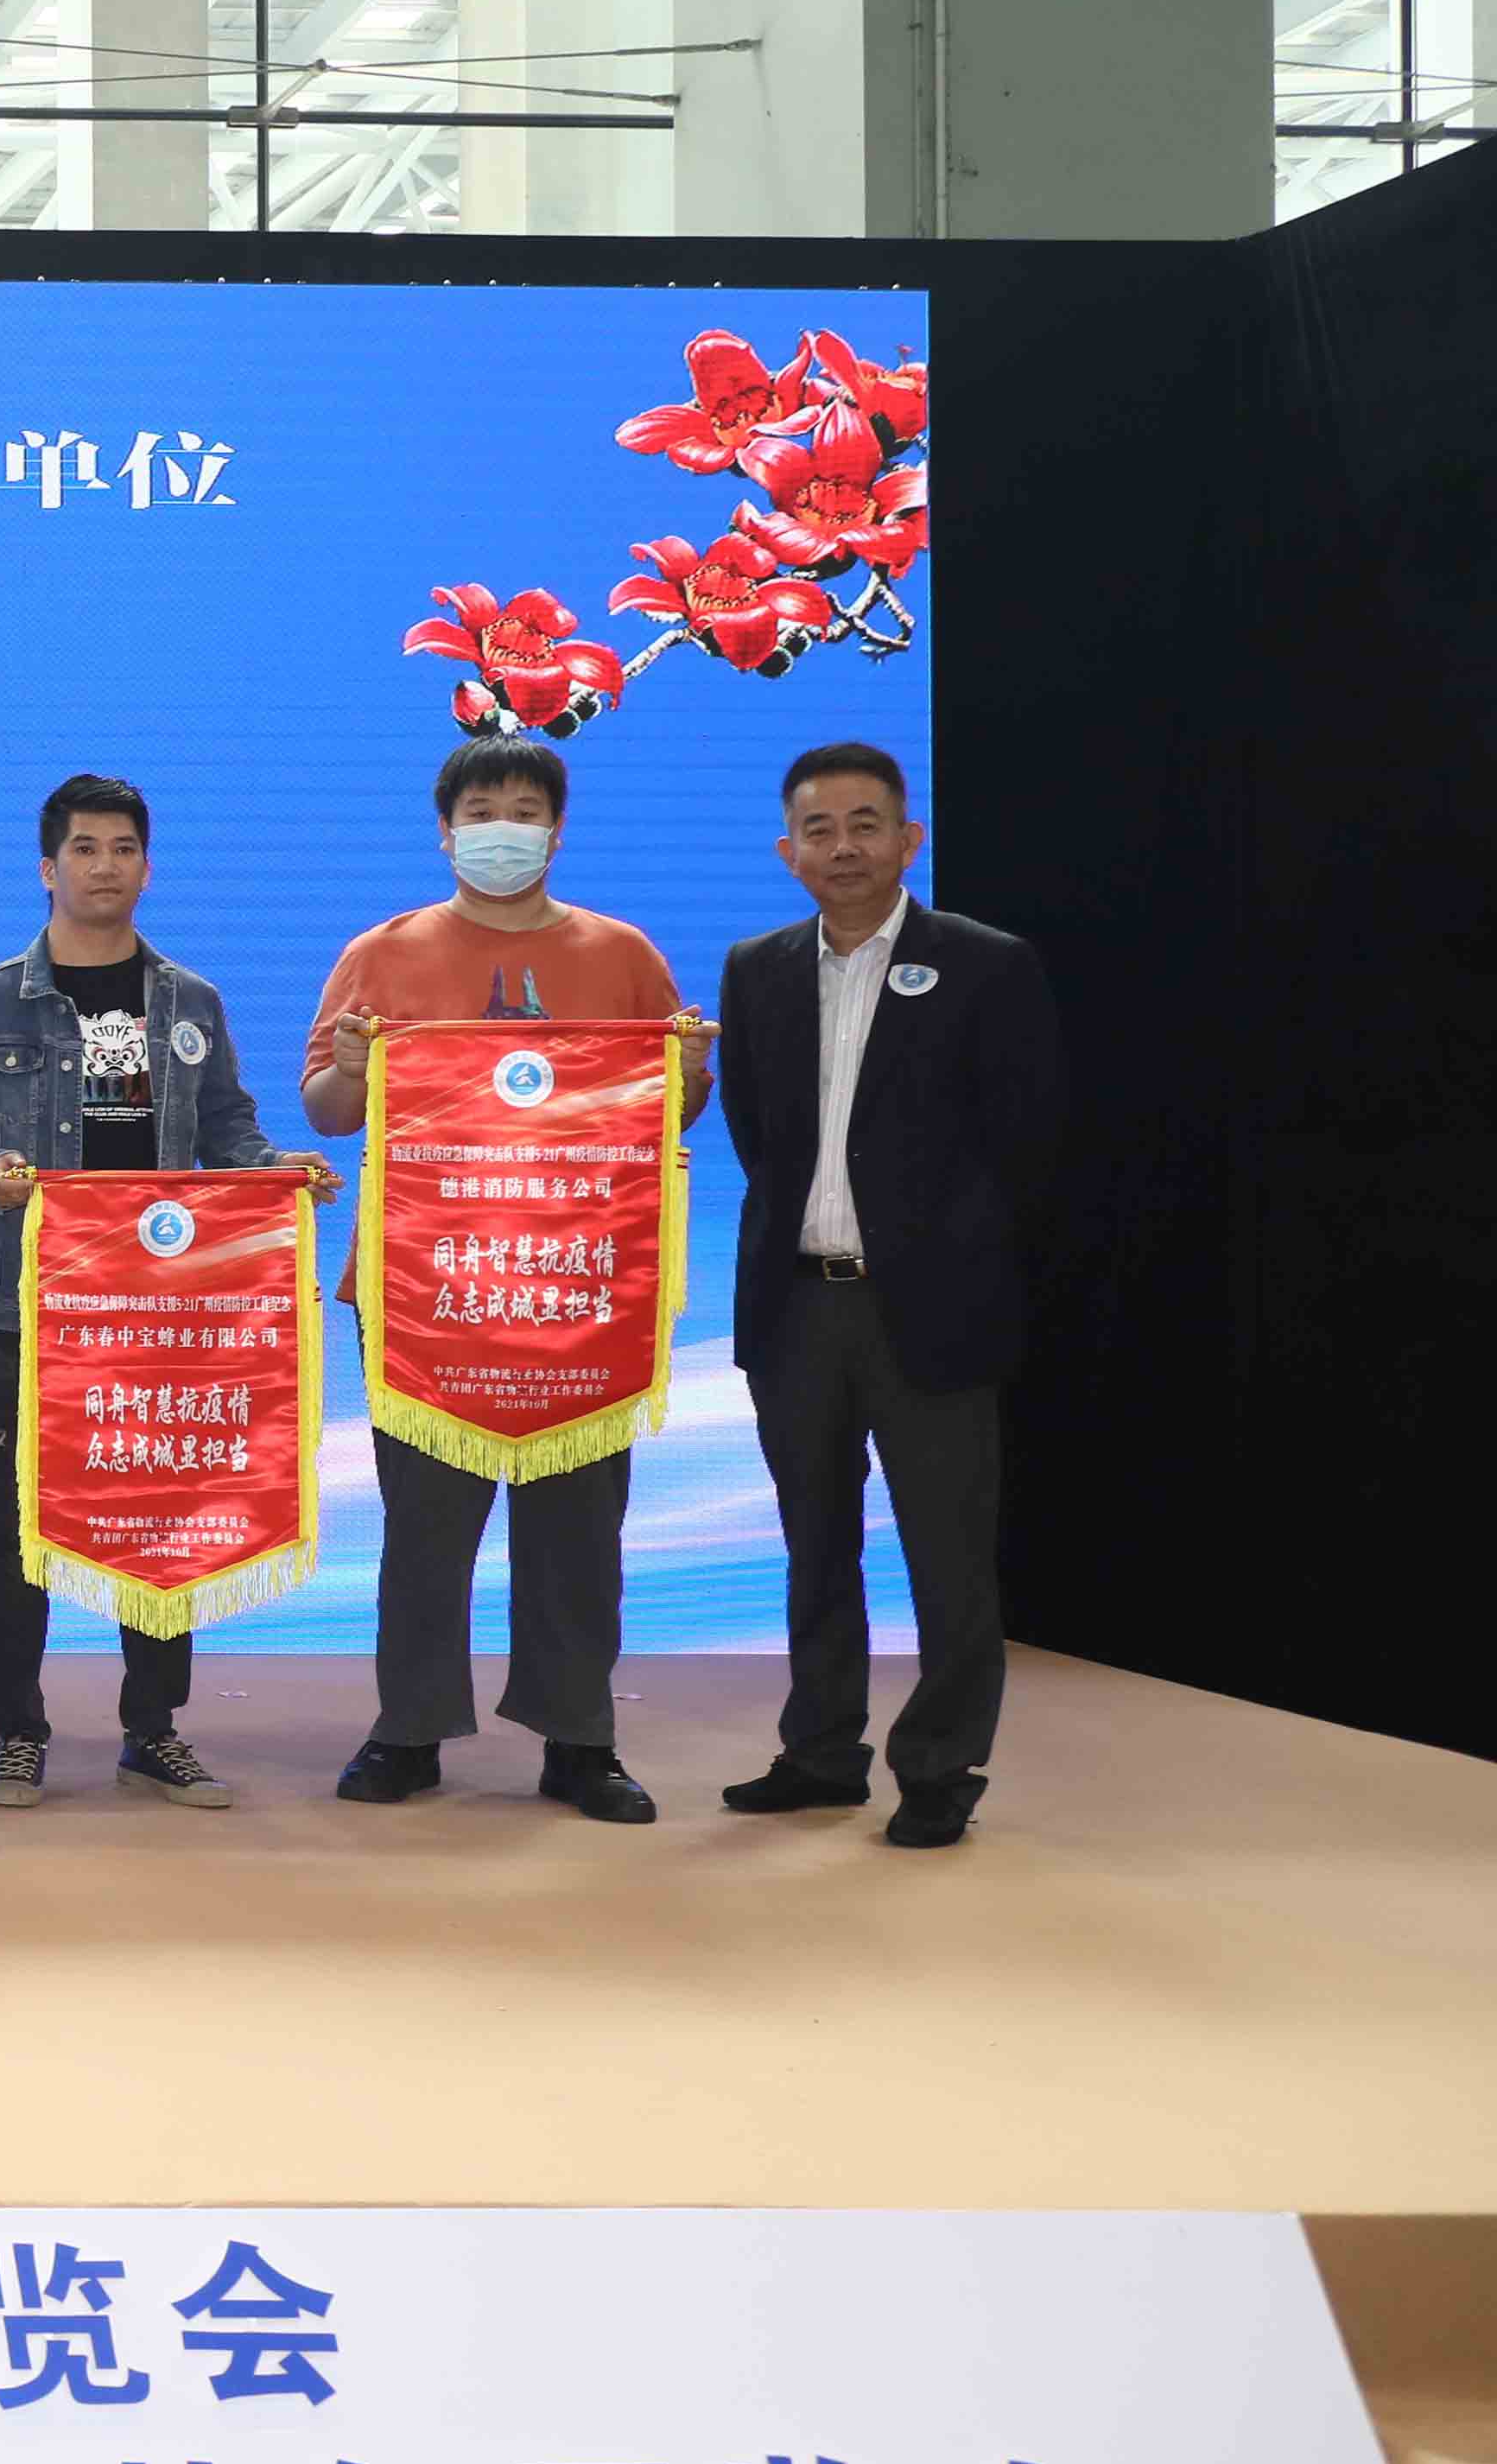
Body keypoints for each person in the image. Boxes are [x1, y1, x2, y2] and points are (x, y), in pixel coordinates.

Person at [303, 737, 714, 1821]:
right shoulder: (381, 953)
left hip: (577, 1288)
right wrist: (349, 1067)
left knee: (577, 1525)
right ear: (444, 831)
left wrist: (685, 1074)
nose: (502, 829)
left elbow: (670, 1110)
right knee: (423, 1528)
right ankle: (407, 1731)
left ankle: (579, 1739)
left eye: (523, 811)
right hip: (424, 1292)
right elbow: (327, 1113)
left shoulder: (620, 953)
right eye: (480, 810)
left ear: (555, 831)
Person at [0, 773, 329, 1813]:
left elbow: (226, 1129)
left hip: (160, 1306)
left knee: (159, 1511)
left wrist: (272, 1169)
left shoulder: (188, 1003)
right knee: (16, 1529)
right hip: (30, 1305)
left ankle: (153, 1730)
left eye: (122, 849)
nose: (104, 867)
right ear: (46, 868)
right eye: (84, 849)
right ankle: (17, 1734)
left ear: (147, 867)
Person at [715, 742, 1064, 1850]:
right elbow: (756, 1134)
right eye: (817, 829)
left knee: (946, 1558)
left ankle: (938, 1768)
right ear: (787, 851)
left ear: (907, 840)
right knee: (812, 1547)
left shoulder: (985, 964)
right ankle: (820, 1753)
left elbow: (1027, 1142)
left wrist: (948, 1253)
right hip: (795, 1309)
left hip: (930, 1311)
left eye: (864, 824)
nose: (842, 847)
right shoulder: (755, 968)